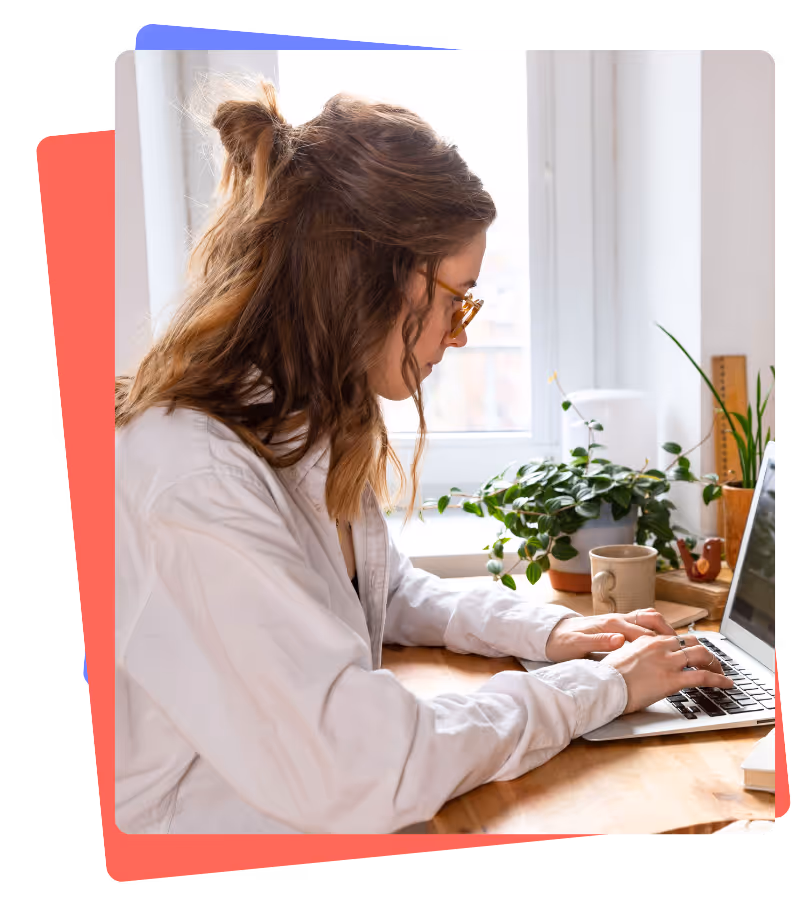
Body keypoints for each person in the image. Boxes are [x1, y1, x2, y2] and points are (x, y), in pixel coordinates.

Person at [114, 78, 734, 835]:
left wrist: (547, 634)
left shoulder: (302, 425)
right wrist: (593, 688)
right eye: (457, 298)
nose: (461, 333)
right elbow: (368, 765)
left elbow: (382, 591)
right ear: (372, 280)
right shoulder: (193, 479)